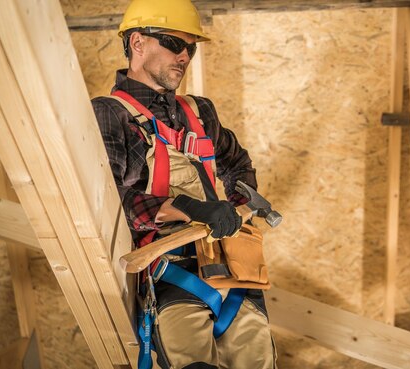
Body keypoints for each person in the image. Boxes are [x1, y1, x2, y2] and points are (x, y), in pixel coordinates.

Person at [92, 0, 276, 368]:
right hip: (171, 273)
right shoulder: (110, 114)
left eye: (190, 48)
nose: (185, 56)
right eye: (175, 44)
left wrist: (238, 207)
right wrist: (187, 208)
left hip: (236, 270)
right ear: (138, 42)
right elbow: (110, 202)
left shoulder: (199, 111)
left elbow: (236, 162)